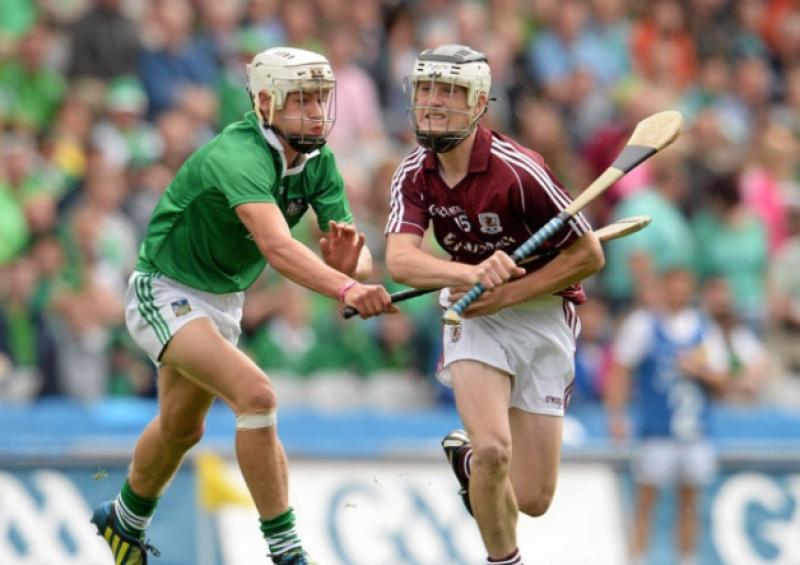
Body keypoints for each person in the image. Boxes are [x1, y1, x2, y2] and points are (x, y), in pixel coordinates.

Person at [90, 46, 395, 565]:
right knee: (257, 395)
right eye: (301, 101)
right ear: (265, 102)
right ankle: (285, 549)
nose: (317, 113)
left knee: (182, 428)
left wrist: (355, 266)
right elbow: (278, 247)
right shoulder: (239, 155)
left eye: (321, 100)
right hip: (165, 289)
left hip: (224, 298)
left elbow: (355, 255)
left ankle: (123, 520)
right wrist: (345, 289)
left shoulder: (319, 162)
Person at [384, 44, 605, 565]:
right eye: (426, 90)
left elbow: (588, 255)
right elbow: (400, 260)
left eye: (448, 92)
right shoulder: (415, 172)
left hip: (542, 313)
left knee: (532, 497)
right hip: (472, 315)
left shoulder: (519, 170)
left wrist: (507, 292)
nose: (433, 103)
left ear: (478, 101)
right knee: (493, 450)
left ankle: (465, 464)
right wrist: (471, 275)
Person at [605, 267, 728, 565]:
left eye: (682, 285)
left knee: (690, 504)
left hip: (695, 431)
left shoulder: (704, 328)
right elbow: (620, 370)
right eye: (671, 285)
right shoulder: (644, 325)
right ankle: (638, 558)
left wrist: (697, 370)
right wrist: (617, 414)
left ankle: (687, 559)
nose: (677, 291)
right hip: (655, 431)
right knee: (646, 500)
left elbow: (722, 379)